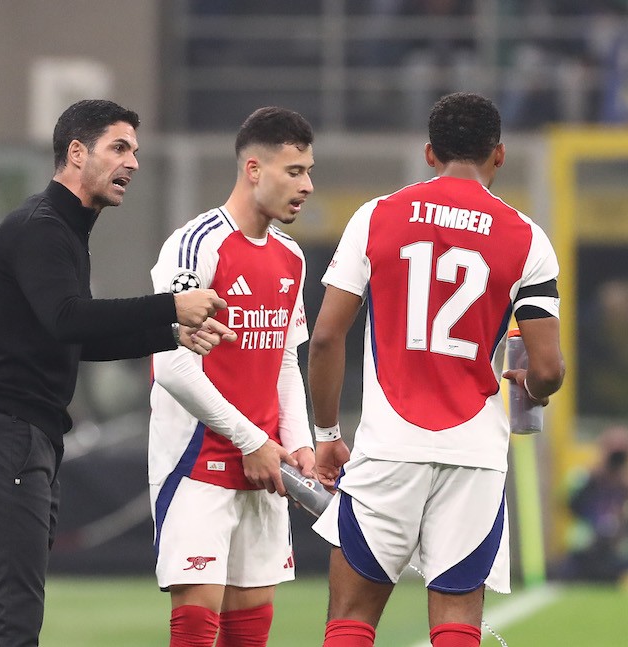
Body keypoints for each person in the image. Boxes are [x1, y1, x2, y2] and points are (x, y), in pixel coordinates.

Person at [0, 98, 235, 647]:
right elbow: (67, 319)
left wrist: (170, 334)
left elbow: (72, 337)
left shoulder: (62, 228)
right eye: (119, 148)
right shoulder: (42, 226)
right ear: (77, 153)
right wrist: (171, 306)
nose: (133, 162)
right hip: (3, 437)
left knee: (14, 613)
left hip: (19, 438)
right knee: (13, 618)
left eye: (136, 151)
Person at [307, 91, 565, 647]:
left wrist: (327, 434)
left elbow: (326, 336)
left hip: (387, 447)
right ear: (499, 155)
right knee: (455, 623)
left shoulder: (375, 216)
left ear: (429, 154)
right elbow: (547, 368)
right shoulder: (527, 238)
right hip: (474, 453)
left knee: (351, 619)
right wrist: (533, 391)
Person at [148, 106, 317, 647]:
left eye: (309, 171)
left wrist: (300, 444)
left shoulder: (292, 258)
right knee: (197, 629)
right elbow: (170, 365)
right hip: (198, 461)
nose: (307, 185)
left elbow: (285, 360)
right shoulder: (194, 243)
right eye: (294, 171)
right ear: (252, 169)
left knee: (250, 634)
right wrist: (252, 439)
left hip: (265, 465)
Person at [560, 425, 628, 582]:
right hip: (584, 549)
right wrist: (595, 474)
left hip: (616, 551)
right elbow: (567, 502)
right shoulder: (585, 476)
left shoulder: (623, 482)